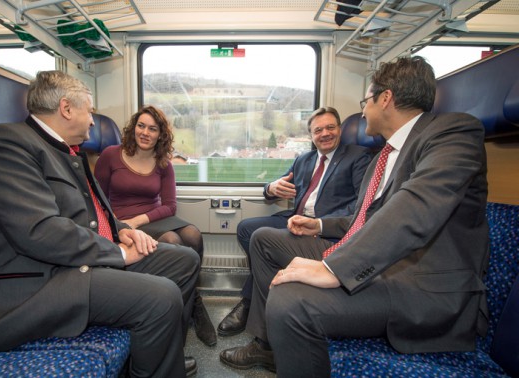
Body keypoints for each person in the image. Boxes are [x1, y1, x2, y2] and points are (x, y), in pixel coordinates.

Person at [219, 56, 489, 377]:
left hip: (417, 284)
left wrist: (334, 267)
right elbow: (366, 219)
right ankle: (268, 346)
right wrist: (318, 225)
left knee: (289, 299)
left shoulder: (453, 133)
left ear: (385, 98)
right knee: (263, 239)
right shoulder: (381, 158)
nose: (362, 112)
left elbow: (417, 206)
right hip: (370, 257)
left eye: (366, 101)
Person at [0, 71, 200, 378]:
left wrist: (122, 231)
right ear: (66, 108)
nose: (91, 121)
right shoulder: (5, 144)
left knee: (184, 261)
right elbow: (40, 231)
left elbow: (96, 211)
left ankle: (161, 352)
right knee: (162, 296)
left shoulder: (67, 151)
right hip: (39, 282)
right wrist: (119, 254)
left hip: (77, 263)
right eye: (89, 110)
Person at [217, 107, 372, 337]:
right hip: (295, 219)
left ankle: (250, 301)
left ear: (339, 129)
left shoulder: (357, 157)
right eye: (318, 130)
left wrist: (320, 223)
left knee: (262, 239)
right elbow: (275, 186)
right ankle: (264, 288)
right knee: (246, 229)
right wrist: (271, 188)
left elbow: (361, 208)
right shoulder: (304, 160)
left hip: (323, 228)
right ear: (311, 136)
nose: (325, 134)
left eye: (330, 127)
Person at [94, 105, 217, 347]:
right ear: (133, 127)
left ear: (160, 135)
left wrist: (138, 220)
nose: (145, 133)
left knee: (193, 235)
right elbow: (97, 199)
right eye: (141, 126)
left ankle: (194, 302)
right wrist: (120, 225)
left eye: (152, 129)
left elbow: (170, 206)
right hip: (121, 220)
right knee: (173, 241)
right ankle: (178, 312)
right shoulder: (110, 155)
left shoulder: (163, 163)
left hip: (152, 217)